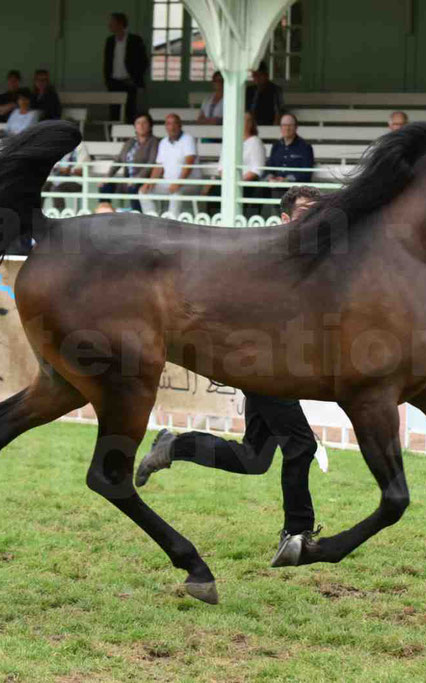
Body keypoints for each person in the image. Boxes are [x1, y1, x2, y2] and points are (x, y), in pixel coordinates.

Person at [135, 186, 325, 567]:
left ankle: (175, 446)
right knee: (300, 446)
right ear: (285, 220)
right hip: (264, 367)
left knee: (254, 458)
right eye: (306, 212)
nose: (315, 220)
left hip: (274, 367)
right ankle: (297, 533)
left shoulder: (310, 258)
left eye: (320, 213)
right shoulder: (270, 255)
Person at [139, 113, 203, 216]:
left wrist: (179, 183)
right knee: (144, 191)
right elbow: (158, 167)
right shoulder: (163, 142)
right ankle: (152, 220)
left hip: (189, 183)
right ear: (165, 126)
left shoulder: (188, 139)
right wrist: (150, 182)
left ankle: (172, 222)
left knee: (176, 191)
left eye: (174, 124)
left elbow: (189, 163)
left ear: (180, 125)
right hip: (169, 182)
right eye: (168, 124)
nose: (171, 127)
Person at [207, 112, 266, 216]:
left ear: (251, 124)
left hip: (246, 183)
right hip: (228, 182)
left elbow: (256, 170)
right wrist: (228, 181)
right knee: (214, 191)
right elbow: (221, 167)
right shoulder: (230, 141)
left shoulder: (255, 142)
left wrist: (237, 181)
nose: (244, 123)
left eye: (247, 120)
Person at [98, 113, 160, 211]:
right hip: (126, 181)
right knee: (105, 186)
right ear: (135, 127)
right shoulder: (130, 142)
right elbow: (118, 160)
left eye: (144, 123)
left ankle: (137, 216)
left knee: (134, 187)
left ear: (150, 126)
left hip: (142, 181)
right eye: (138, 123)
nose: (141, 126)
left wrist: (137, 178)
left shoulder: (154, 142)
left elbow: (151, 163)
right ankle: (104, 213)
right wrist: (107, 176)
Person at [103, 12, 149, 123]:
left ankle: (128, 135)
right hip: (113, 82)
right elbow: (107, 62)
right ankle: (113, 136)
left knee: (130, 111)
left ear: (120, 24)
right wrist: (107, 80)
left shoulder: (135, 40)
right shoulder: (110, 41)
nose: (109, 25)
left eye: (112, 22)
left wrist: (135, 79)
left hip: (129, 82)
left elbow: (144, 61)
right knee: (114, 111)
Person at [266, 113, 314, 184]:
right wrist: (270, 177)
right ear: (280, 127)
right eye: (284, 125)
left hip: (296, 189)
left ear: (296, 127)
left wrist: (286, 179)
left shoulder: (305, 147)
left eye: (290, 125)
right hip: (276, 187)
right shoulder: (276, 146)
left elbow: (306, 174)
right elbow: (270, 167)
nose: (287, 128)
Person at [44, 142, 91, 211]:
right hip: (57, 179)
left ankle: (60, 216)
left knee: (56, 189)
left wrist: (69, 170)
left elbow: (83, 171)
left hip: (76, 181)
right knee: (41, 187)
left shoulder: (80, 147)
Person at [246, 61, 284, 126]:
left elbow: (278, 112)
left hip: (270, 125)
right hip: (252, 125)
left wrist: (273, 130)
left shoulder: (275, 90)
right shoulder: (249, 90)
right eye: (255, 75)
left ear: (266, 75)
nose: (257, 78)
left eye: (260, 75)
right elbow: (247, 111)